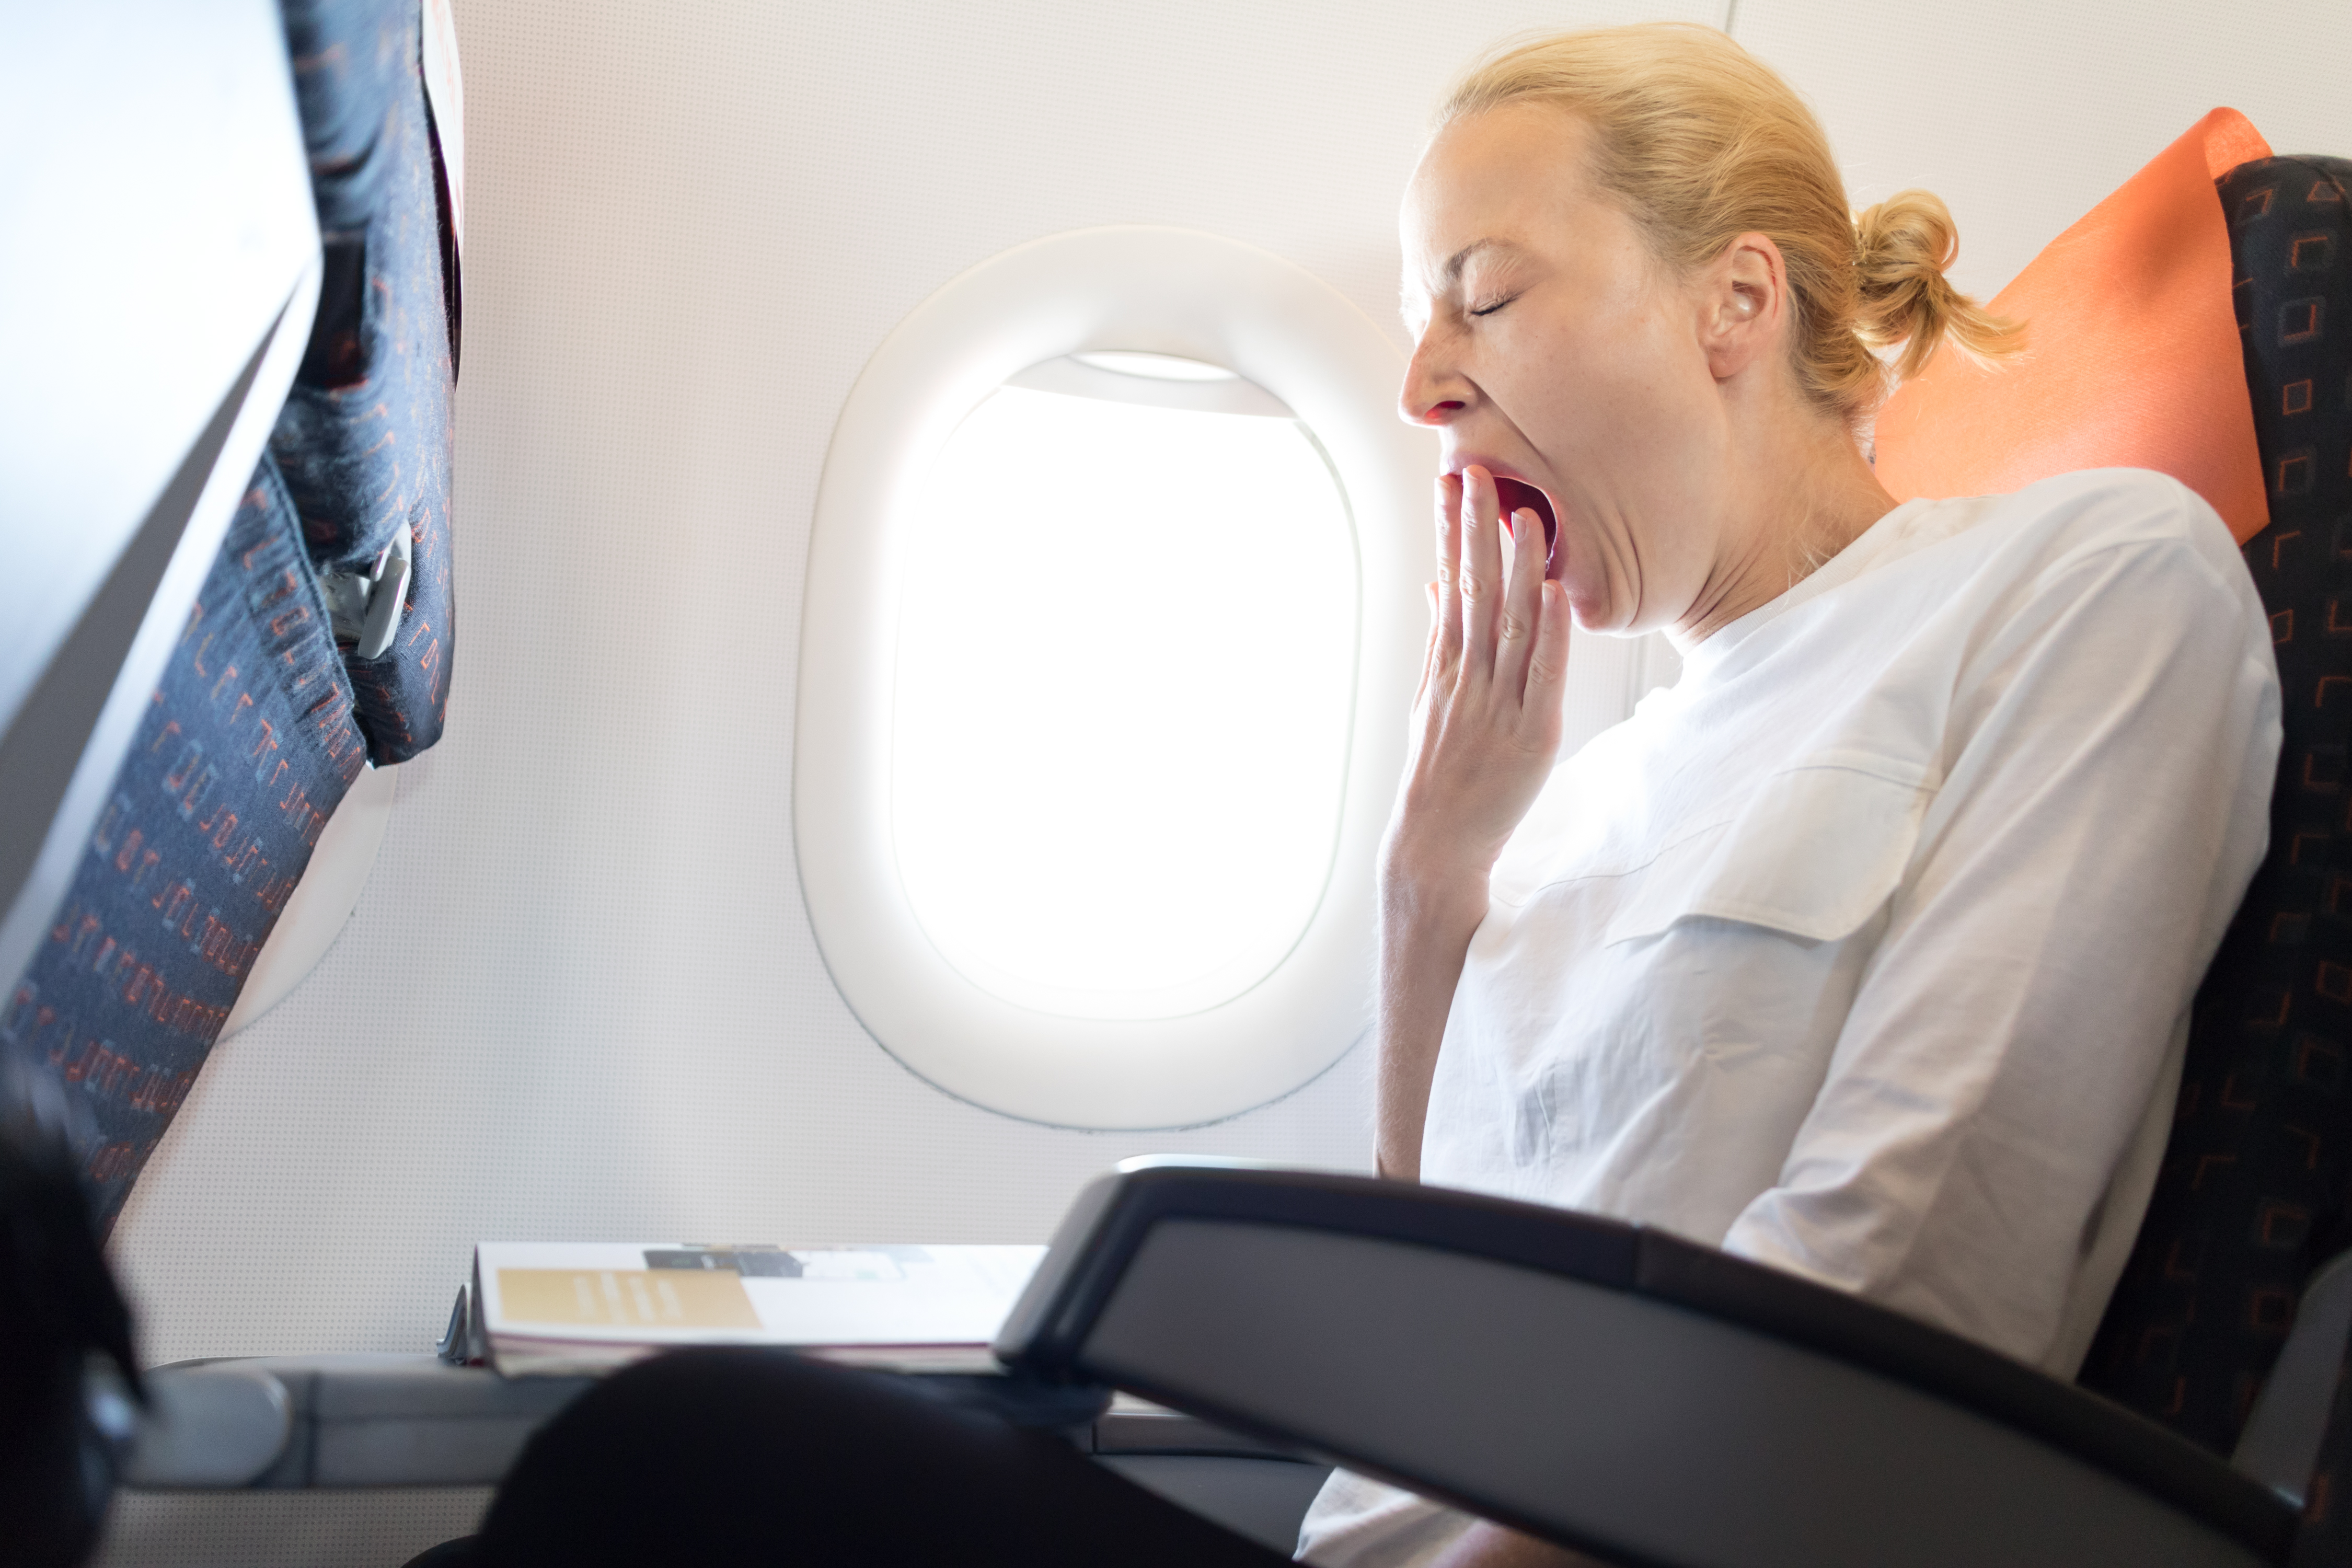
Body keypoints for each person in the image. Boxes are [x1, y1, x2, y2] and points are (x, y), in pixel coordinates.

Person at [460, 21, 2279, 1568]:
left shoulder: (2085, 587)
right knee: (608, 1487)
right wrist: (1431, 888)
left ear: (1734, 300)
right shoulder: (1591, 787)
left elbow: (1913, 1282)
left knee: (682, 1468)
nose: (1419, 384)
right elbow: (1443, 1330)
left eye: (1481, 298)